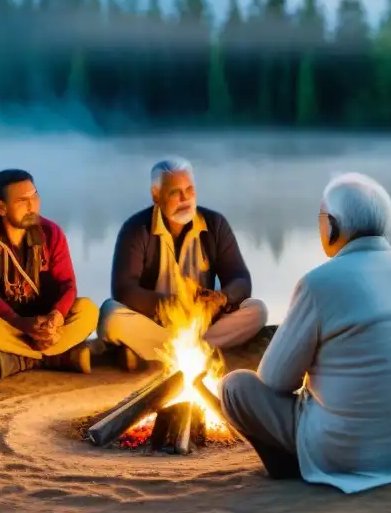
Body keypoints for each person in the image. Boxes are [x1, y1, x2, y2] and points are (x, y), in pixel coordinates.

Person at [219, 173, 391, 493]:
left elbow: (274, 380)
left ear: (332, 225)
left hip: (351, 455)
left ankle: (294, 465)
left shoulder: (319, 283)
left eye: (320, 220)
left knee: (235, 387)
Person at [97, 157, 267, 369]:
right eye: (175, 192)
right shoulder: (135, 229)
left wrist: (222, 298)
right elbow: (124, 289)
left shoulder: (215, 224)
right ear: (155, 195)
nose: (185, 199)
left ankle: (160, 353)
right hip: (156, 322)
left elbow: (240, 278)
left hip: (204, 322)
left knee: (256, 310)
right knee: (110, 316)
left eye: (189, 189)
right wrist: (171, 306)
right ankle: (199, 352)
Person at [0, 170, 99, 380]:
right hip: (4, 322)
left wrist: (56, 317)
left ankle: (22, 358)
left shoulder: (51, 232)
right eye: (22, 201)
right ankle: (52, 357)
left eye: (35, 196)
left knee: (88, 310)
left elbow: (67, 284)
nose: (32, 206)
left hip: (44, 320)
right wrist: (20, 323)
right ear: (1, 207)